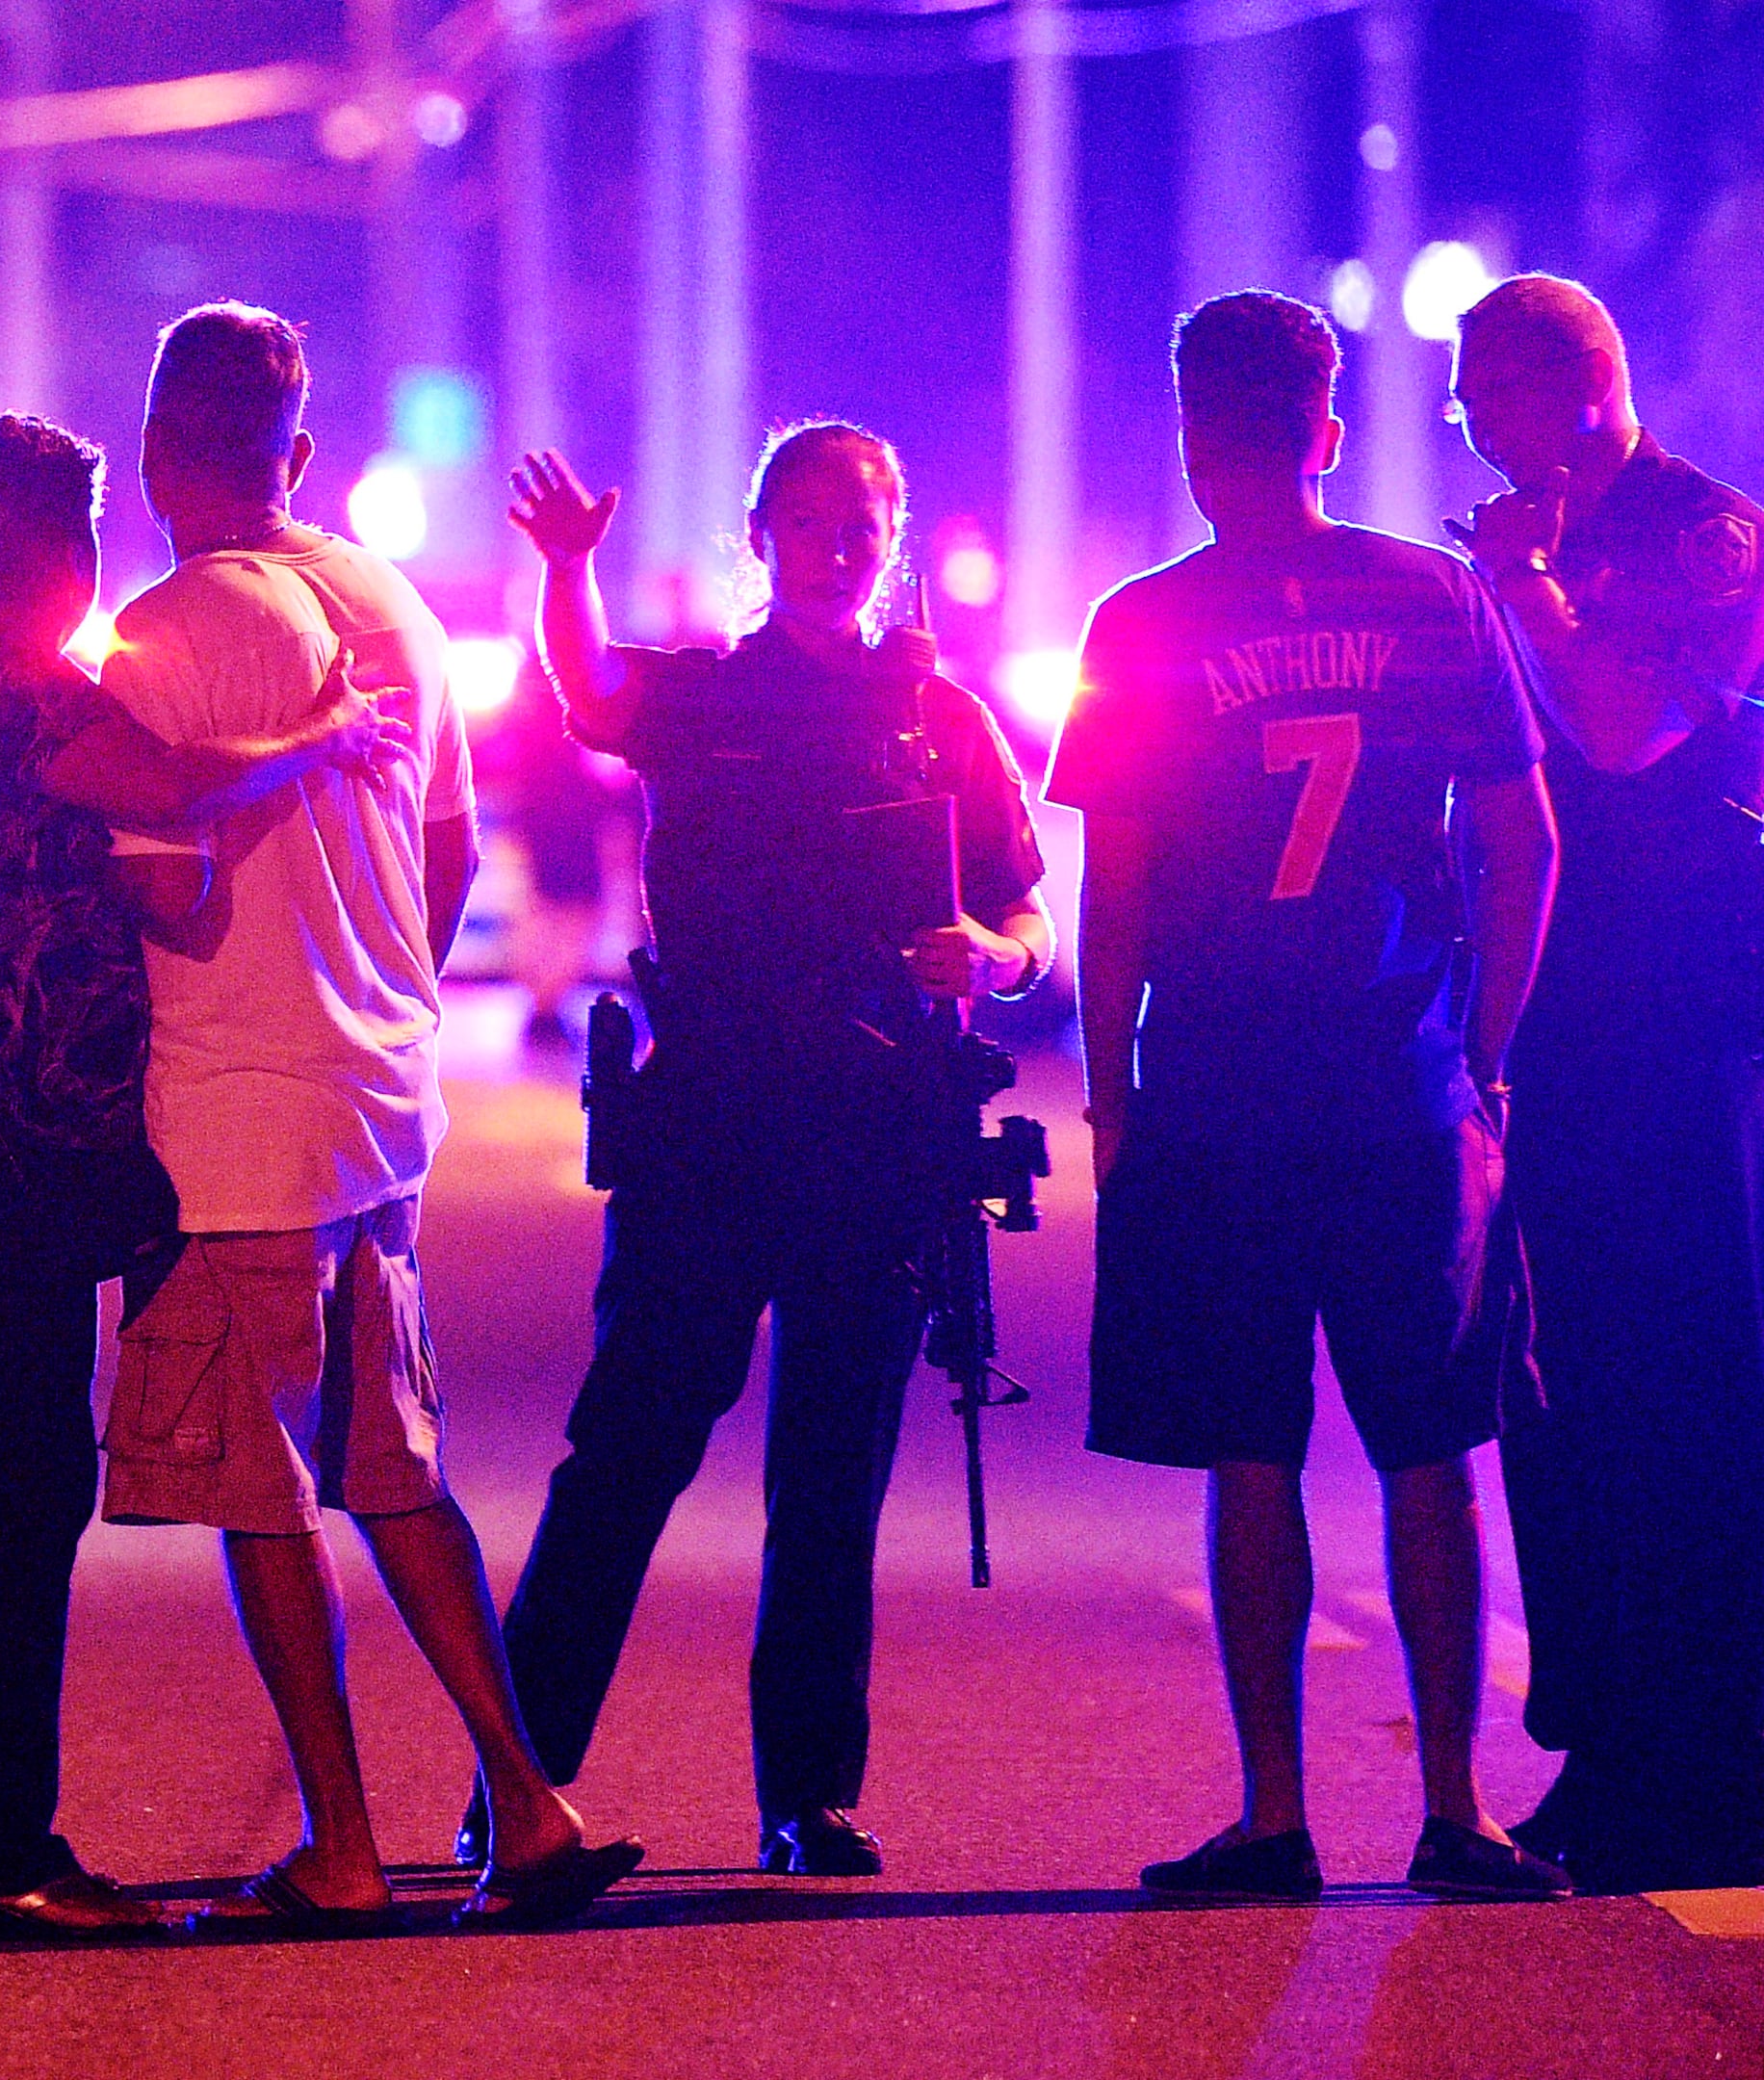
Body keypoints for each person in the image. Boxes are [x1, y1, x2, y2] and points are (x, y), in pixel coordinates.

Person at [0, 412, 409, 1943]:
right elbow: (169, 781)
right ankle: (4, 1851)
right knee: (24, 1484)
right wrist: (327, 738)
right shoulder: (14, 689)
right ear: (58, 550)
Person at [91, 302, 639, 1937]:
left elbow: (151, 885)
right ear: (301, 455)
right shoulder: (395, 606)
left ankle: (339, 1844)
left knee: (261, 1491)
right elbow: (452, 853)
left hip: (233, 1112)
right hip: (384, 1101)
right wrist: (376, 965)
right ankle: (526, 1804)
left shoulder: (163, 631)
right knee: (397, 1465)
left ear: (151, 455)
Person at [484, 423, 1056, 1879]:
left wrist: (986, 958)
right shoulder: (710, 695)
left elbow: (1026, 921)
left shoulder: (943, 714)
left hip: (877, 1135)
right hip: (713, 1123)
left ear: (898, 530)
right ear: (762, 534)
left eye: (867, 511)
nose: (842, 536)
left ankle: (807, 1797)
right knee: (626, 1453)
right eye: (810, 514)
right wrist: (567, 569)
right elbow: (591, 693)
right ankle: (516, 1781)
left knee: (831, 1479)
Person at [1051, 290, 1567, 1902]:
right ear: (1329, 432)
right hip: (1398, 1086)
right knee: (1433, 1452)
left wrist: (1111, 1087)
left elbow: (1112, 881)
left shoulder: (1136, 624)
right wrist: (1479, 1056)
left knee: (1248, 1455)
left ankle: (1275, 1818)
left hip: (1214, 1089)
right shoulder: (1434, 596)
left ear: (1197, 442)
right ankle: (1459, 1817)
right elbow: (1526, 838)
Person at [1448, 273, 1764, 1893]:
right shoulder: (1524, 556)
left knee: (1689, 1387)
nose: (1475, 437)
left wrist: (1538, 599)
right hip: (1554, 1023)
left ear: (1575, 388)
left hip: (1688, 1026)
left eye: (1485, 401)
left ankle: (1716, 1763)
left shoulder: (1702, 536)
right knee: (1555, 1393)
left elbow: (1633, 735)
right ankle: (1606, 1740)